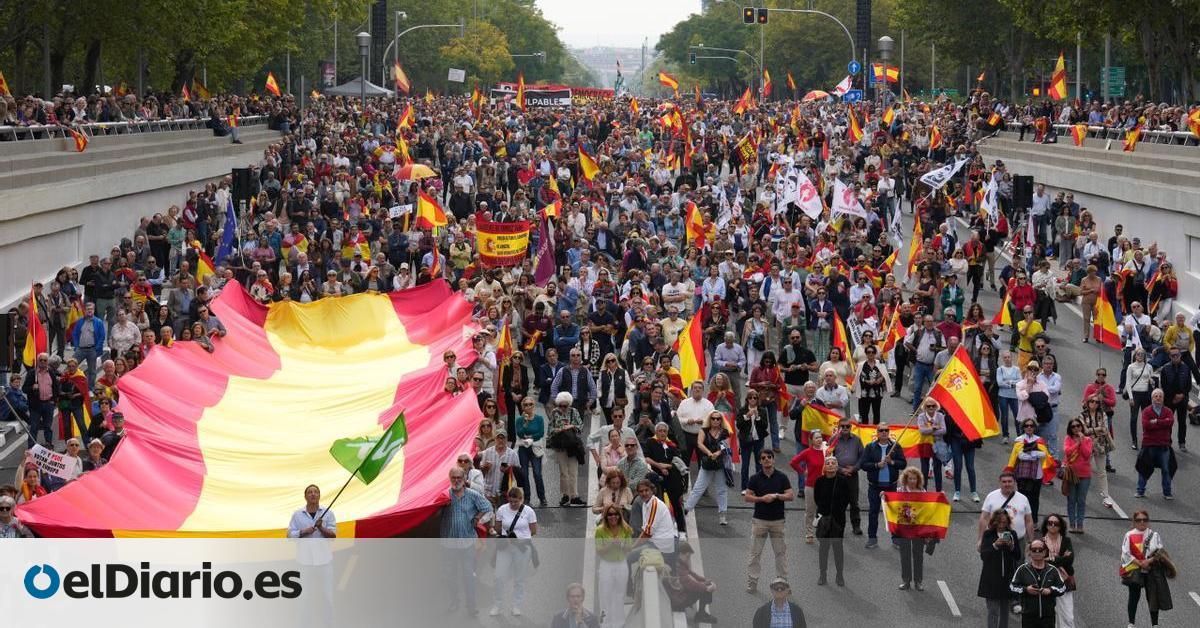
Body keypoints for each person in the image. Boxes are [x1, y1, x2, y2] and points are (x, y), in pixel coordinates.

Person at [440, 466, 493, 617]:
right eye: (453, 478)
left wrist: (477, 518)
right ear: (450, 479)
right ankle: (454, 601)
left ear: (464, 480)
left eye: (459, 478)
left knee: (468, 575)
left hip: (467, 544)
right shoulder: (444, 496)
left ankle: (471, 605)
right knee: (450, 575)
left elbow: (487, 507)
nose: (456, 481)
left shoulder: (472, 495)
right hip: (448, 544)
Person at [745, 449, 793, 593]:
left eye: (769, 457)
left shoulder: (782, 477)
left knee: (780, 553)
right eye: (763, 458)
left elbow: (790, 495)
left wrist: (777, 495)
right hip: (759, 521)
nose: (767, 459)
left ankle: (782, 582)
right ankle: (752, 582)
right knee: (755, 554)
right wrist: (761, 499)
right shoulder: (754, 478)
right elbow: (747, 497)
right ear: (760, 461)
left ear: (773, 460)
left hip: (778, 522)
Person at [490, 486, 538, 618]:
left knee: (519, 578)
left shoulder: (529, 511)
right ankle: (497, 605)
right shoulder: (502, 510)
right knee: (499, 576)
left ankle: (516, 605)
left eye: (516, 501)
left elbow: (533, 530)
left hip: (522, 547)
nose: (513, 504)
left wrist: (520, 537)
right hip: (506, 546)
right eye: (511, 501)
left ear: (521, 499)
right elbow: (498, 528)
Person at [856, 424, 906, 548]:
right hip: (875, 486)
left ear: (889, 432)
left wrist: (892, 462)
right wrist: (876, 466)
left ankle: (896, 539)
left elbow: (903, 464)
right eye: (881, 430)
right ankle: (872, 538)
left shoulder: (895, 446)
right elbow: (863, 465)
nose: (884, 432)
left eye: (886, 430)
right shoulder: (870, 447)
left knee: (894, 513)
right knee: (873, 512)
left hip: (891, 486)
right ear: (877, 433)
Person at [1121, 510, 1172, 628]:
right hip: (1135, 570)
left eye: (1145, 519)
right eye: (1139, 520)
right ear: (1134, 522)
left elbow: (1160, 552)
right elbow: (1125, 553)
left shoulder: (1155, 535)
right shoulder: (1129, 535)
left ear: (1148, 521)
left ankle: (1155, 624)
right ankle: (1131, 623)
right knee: (1134, 596)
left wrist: (1148, 561)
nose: (1142, 522)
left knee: (1153, 597)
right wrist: (1140, 563)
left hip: (1151, 569)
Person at [683, 411, 731, 526]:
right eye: (713, 418)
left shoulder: (725, 432)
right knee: (698, 489)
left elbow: (726, 446)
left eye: (718, 419)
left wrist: (718, 453)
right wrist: (710, 453)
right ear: (710, 419)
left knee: (721, 489)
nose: (715, 421)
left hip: (720, 464)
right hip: (707, 463)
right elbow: (699, 443)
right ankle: (685, 510)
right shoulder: (703, 430)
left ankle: (722, 514)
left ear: (721, 420)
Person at [978, 510, 1022, 628]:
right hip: (991, 579)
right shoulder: (988, 534)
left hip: (1007, 579)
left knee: (1004, 612)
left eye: (1004, 522)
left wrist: (1012, 546)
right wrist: (995, 545)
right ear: (995, 522)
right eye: (1000, 522)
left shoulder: (1012, 534)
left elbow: (1018, 555)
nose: (1002, 525)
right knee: (993, 611)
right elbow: (984, 555)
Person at [1009, 538, 1067, 628]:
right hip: (1028, 617)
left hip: (1048, 617)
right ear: (1029, 552)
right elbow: (1012, 587)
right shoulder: (1022, 569)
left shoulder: (1052, 570)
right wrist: (1026, 589)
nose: (1037, 552)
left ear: (1044, 552)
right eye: (1034, 550)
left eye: (1040, 550)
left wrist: (1050, 590)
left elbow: (1062, 588)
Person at [812, 455, 850, 587]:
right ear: (825, 466)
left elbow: (847, 499)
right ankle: (823, 574)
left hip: (838, 519)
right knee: (823, 548)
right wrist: (824, 513)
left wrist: (838, 512)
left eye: (833, 463)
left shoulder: (843, 481)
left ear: (837, 466)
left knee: (837, 548)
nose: (831, 465)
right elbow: (817, 498)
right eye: (828, 463)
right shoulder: (820, 481)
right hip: (823, 518)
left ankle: (839, 575)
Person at [977, 472, 1036, 555]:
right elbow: (983, 518)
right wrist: (980, 539)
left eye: (1009, 481)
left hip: (1018, 541)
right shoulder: (991, 497)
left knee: (1018, 565)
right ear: (999, 483)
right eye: (1004, 482)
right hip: (995, 540)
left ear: (1015, 483)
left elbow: (1029, 521)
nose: (1007, 484)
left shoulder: (1023, 499)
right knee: (994, 566)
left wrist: (1031, 542)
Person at [594, 504, 632, 628]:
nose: (613, 517)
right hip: (606, 565)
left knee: (619, 594)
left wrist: (620, 544)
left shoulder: (626, 529)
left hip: (621, 564)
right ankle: (605, 623)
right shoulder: (600, 530)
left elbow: (629, 548)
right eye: (610, 514)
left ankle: (619, 623)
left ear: (619, 515)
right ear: (606, 516)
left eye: (615, 514)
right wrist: (610, 545)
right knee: (605, 595)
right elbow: (599, 550)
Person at [894, 466, 931, 591]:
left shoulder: (923, 492)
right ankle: (906, 580)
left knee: (918, 555)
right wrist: (884, 495)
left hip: (918, 528)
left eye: (914, 478)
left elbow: (927, 511)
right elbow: (893, 505)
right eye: (909, 478)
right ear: (905, 479)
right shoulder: (900, 490)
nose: (912, 481)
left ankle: (918, 581)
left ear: (918, 480)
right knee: (904, 555)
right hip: (904, 527)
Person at [1135, 388, 1175, 499]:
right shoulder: (1146, 411)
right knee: (1144, 468)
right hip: (1149, 446)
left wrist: (1156, 421)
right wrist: (1163, 423)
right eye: (1156, 396)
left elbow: (1170, 422)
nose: (1158, 398)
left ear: (1163, 399)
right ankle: (1140, 491)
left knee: (1166, 469)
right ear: (1152, 398)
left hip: (1164, 446)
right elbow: (1146, 425)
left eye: (1160, 396)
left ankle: (1167, 492)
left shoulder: (1168, 411)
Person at [1006, 419, 1049, 521]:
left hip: (1037, 475)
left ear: (1034, 427)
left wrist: (1031, 452)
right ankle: (1021, 520)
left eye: (1031, 425)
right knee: (1022, 498)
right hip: (1022, 475)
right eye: (1026, 425)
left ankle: (1033, 521)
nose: (1029, 427)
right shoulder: (1019, 440)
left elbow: (1044, 454)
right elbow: (1021, 455)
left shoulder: (1039, 440)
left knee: (1034, 499)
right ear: (1023, 427)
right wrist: (1035, 453)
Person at [548, 392, 586, 506]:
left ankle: (574, 496)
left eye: (565, 406)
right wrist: (558, 430)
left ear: (569, 404)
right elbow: (550, 430)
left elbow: (581, 426)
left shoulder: (574, 412)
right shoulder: (554, 413)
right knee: (563, 472)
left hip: (572, 445)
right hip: (560, 445)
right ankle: (565, 495)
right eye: (561, 405)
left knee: (573, 471)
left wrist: (571, 426)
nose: (563, 408)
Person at [1038, 514, 1076, 628]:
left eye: (1056, 523)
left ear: (1061, 526)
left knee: (1068, 615)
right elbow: (1039, 560)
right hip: (1046, 580)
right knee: (1050, 614)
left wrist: (1052, 558)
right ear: (1046, 525)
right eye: (1050, 523)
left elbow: (1070, 559)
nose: (1053, 525)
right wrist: (1061, 558)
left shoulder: (1066, 540)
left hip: (1065, 580)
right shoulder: (1040, 542)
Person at [789, 429, 827, 544]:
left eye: (820, 437)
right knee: (810, 511)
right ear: (811, 440)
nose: (819, 440)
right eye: (816, 438)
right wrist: (802, 471)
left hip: (825, 485)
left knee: (825, 511)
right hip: (811, 486)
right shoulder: (807, 452)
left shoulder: (826, 452)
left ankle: (823, 532)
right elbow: (793, 462)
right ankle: (809, 533)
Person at [1060, 419, 1093, 533]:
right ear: (1070, 428)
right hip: (1072, 474)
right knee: (1071, 500)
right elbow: (1067, 452)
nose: (1076, 428)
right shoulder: (1068, 439)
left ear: (1081, 427)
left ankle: (1080, 524)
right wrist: (1077, 443)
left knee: (1081, 500)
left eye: (1078, 426)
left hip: (1085, 475)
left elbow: (1087, 454)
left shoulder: (1088, 440)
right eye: (1073, 427)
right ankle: (1072, 524)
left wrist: (1082, 441)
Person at [514, 398, 547, 507]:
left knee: (537, 473)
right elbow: (520, 434)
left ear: (533, 406)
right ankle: (527, 498)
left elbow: (541, 433)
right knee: (524, 474)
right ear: (523, 406)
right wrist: (526, 423)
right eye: (526, 404)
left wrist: (531, 437)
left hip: (535, 448)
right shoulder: (519, 420)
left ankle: (542, 497)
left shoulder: (539, 419)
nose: (528, 406)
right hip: (523, 448)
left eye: (531, 404)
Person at [737, 390, 770, 491]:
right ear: (747, 399)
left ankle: (759, 487)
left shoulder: (762, 410)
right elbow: (739, 426)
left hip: (758, 440)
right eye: (750, 398)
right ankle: (744, 487)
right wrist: (747, 416)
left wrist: (758, 417)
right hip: (745, 441)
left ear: (757, 400)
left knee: (759, 464)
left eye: (755, 398)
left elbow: (765, 426)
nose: (752, 400)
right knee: (745, 465)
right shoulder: (742, 410)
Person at [915, 397, 948, 493]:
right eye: (928, 406)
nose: (931, 408)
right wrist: (934, 428)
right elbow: (922, 431)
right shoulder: (921, 416)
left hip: (938, 444)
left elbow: (944, 430)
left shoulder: (940, 415)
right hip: (925, 444)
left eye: (933, 406)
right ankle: (924, 490)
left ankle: (938, 491)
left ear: (936, 406)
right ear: (925, 407)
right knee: (924, 469)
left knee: (937, 468)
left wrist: (929, 431)